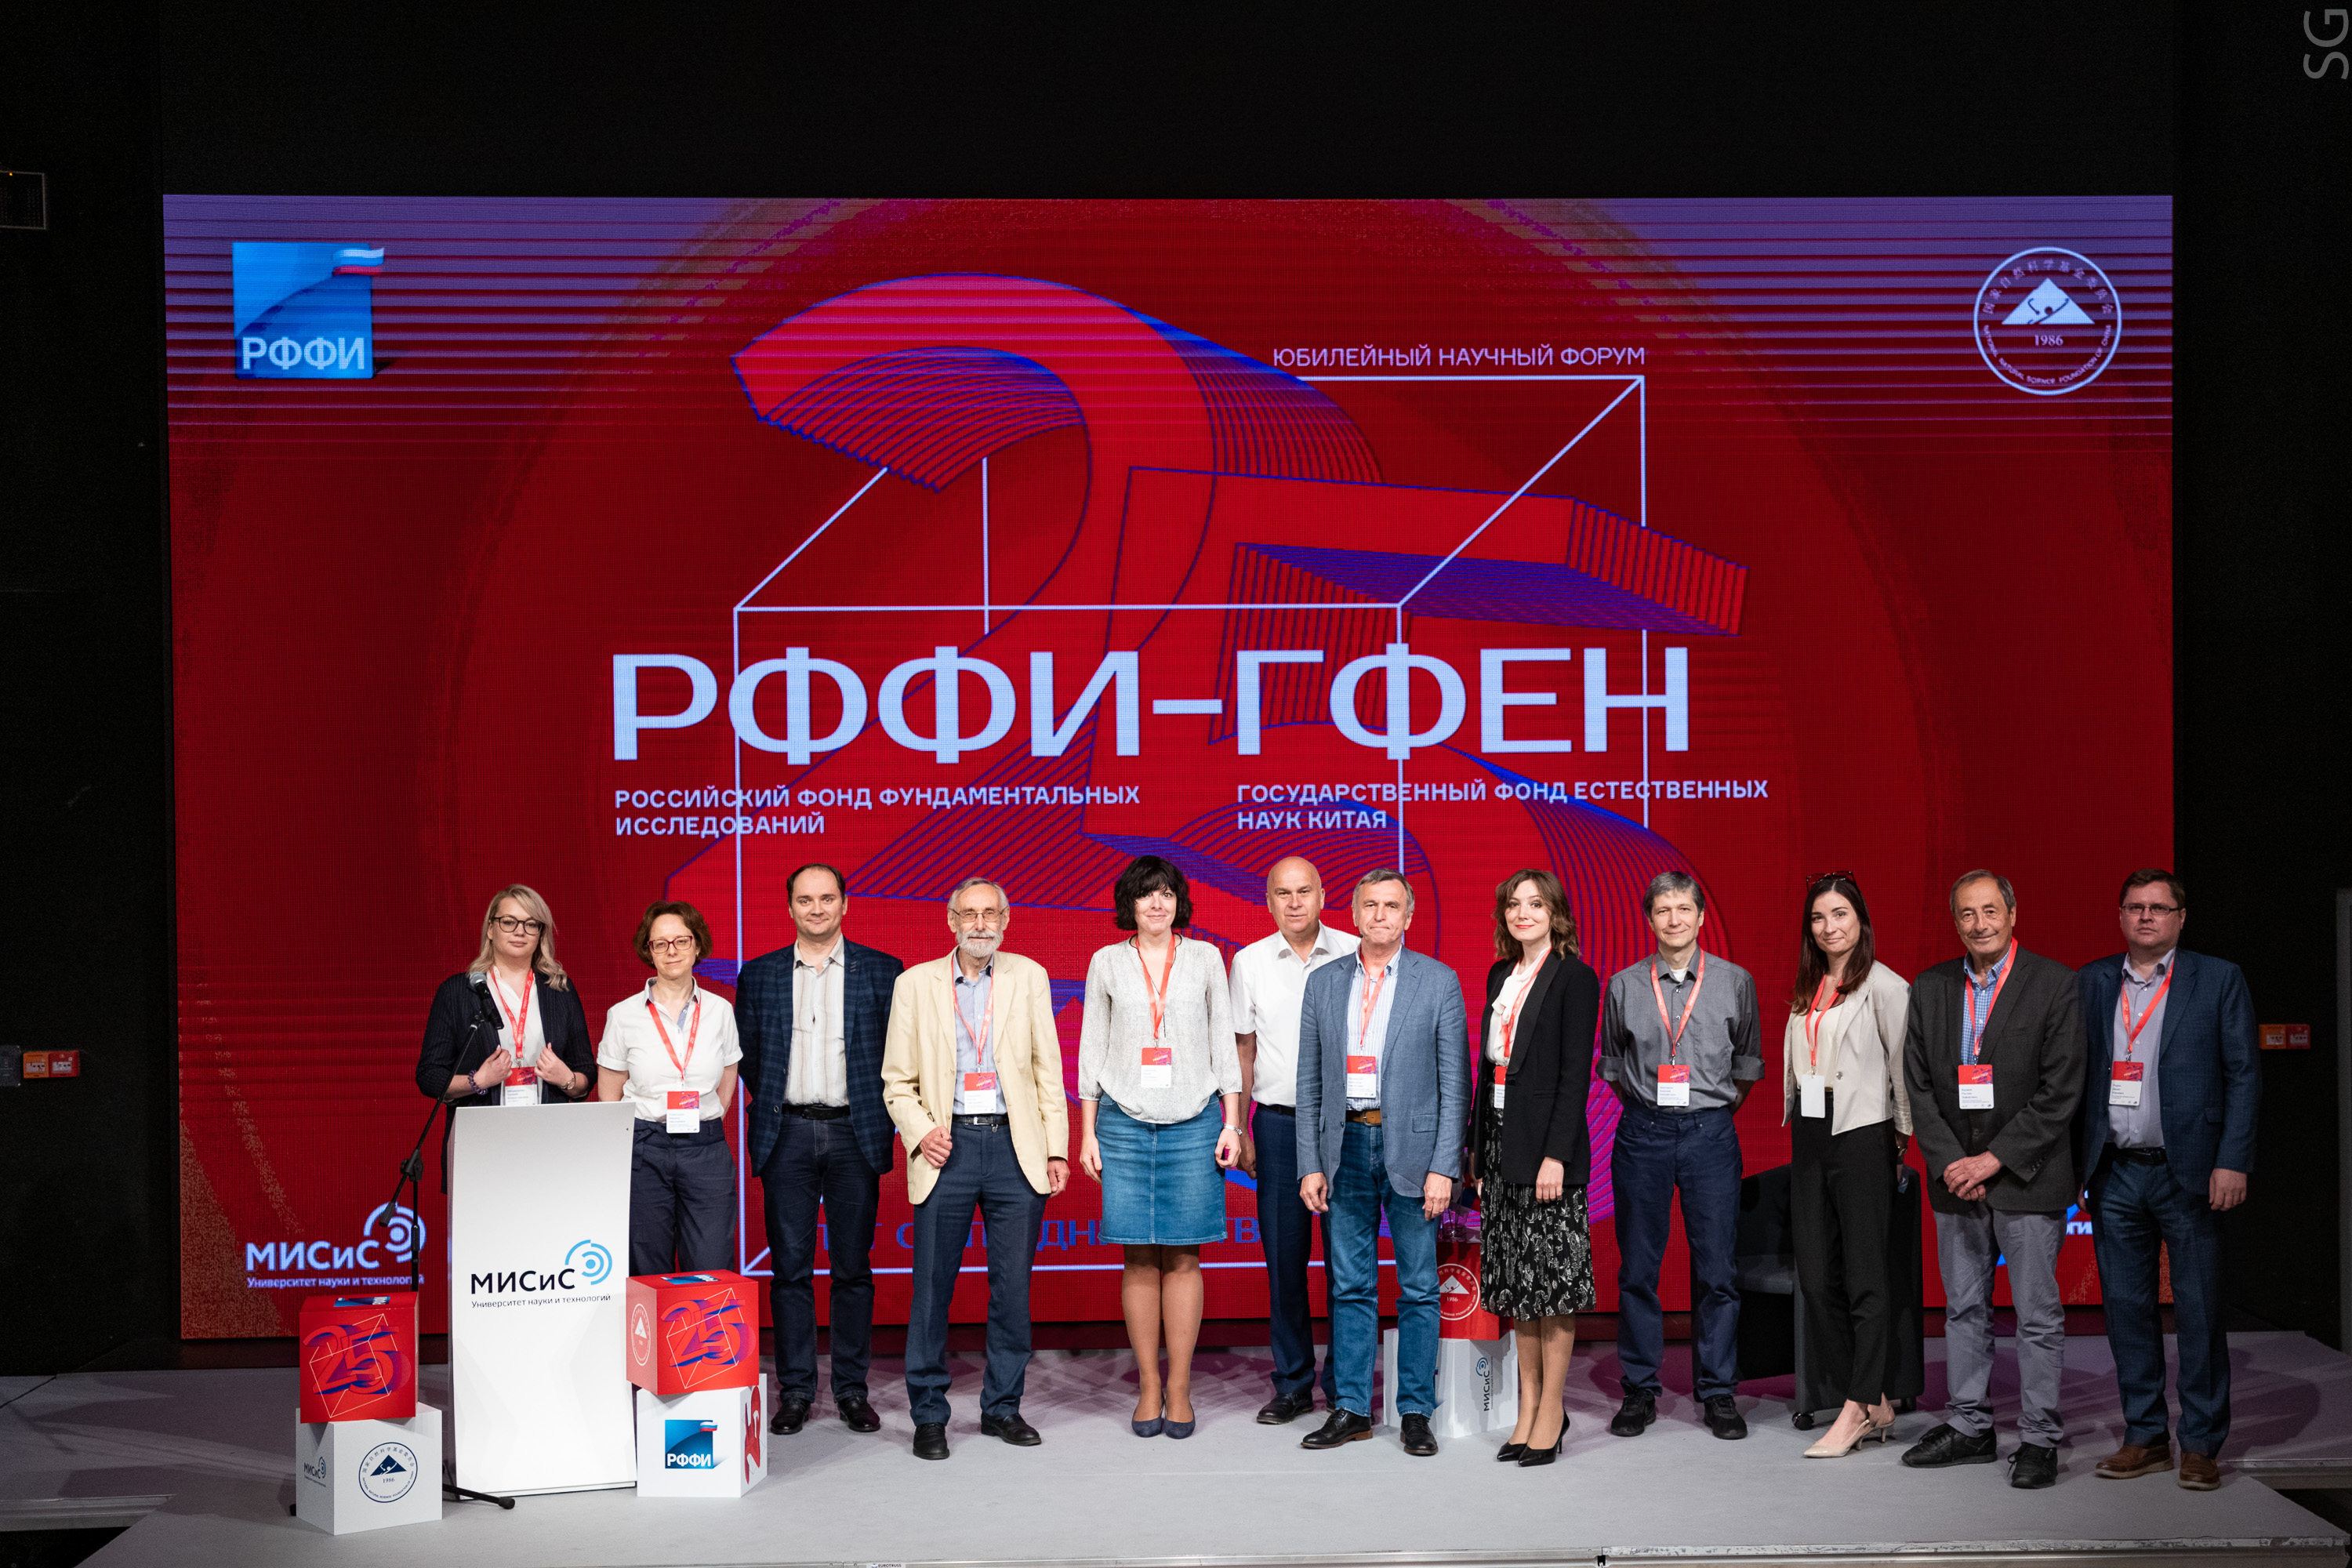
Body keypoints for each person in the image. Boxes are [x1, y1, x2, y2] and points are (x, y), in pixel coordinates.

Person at [1900, 869, 2083, 1490]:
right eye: (1966, 914)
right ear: (1955, 921)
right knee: (1964, 1308)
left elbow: (2060, 1091)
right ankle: (1971, 1426)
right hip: (1956, 1179)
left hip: (2027, 1177)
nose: (1979, 924)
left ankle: (2039, 1438)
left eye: (1989, 911)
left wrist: (1993, 1159)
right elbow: (1918, 1084)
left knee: (2037, 1316)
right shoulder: (1931, 987)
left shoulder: (2054, 983)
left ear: (2011, 914)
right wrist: (1954, 1161)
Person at [2076, 870, 2258, 1492]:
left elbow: (2243, 1074)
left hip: (2192, 1171)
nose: (2146, 917)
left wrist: (2233, 1160)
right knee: (2127, 1309)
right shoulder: (2093, 981)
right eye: (2135, 907)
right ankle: (2146, 1435)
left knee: (2198, 1309)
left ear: (2181, 917)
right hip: (2115, 1171)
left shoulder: (2218, 978)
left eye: (2159, 907)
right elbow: (2074, 1075)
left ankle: (2201, 1443)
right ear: (2121, 916)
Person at [880, 877, 1071, 1461]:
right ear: (951, 921)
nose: (981, 923)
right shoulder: (915, 984)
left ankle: (1002, 1408)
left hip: (1016, 1148)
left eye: (991, 913)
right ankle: (929, 1415)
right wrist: (922, 1132)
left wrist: (1056, 1149)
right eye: (970, 914)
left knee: (1012, 1290)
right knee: (931, 1290)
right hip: (948, 1147)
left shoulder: (1029, 977)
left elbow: (1047, 1070)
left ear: (1006, 920)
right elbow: (896, 1081)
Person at [1294, 869, 1469, 1457]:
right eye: (1369, 905)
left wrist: (1445, 1166)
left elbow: (1456, 1086)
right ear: (1353, 913)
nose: (1379, 915)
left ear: (1408, 916)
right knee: (1350, 1286)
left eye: (1391, 906)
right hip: (1343, 1147)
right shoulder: (1323, 983)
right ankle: (1350, 1408)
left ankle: (1416, 1410)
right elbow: (1309, 1082)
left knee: (1418, 1288)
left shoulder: (1438, 981)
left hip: (1414, 1154)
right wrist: (1310, 1162)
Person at [1076, 855, 1244, 1439]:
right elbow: (1092, 1049)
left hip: (1194, 1123)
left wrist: (1232, 1123)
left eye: (1166, 893)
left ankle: (1180, 1387)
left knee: (1184, 1256)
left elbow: (1223, 1042)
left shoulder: (1205, 958)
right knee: (1138, 1256)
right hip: (1122, 1124)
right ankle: (1149, 1384)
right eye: (1146, 893)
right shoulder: (1106, 962)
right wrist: (1087, 1132)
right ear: (1130, 902)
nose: (1156, 903)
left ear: (1178, 902)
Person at [734, 863, 904, 1439]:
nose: (816, 909)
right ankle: (797, 1391)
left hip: (855, 1132)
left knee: (853, 1269)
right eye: (805, 900)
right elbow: (751, 1057)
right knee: (790, 1272)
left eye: (827, 898)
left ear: (845, 904)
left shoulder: (883, 971)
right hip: (787, 1133)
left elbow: (897, 1057)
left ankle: (852, 1390)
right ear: (789, 908)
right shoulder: (759, 975)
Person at [1597, 870, 1762, 1441]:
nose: (1674, 920)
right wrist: (1652, 1110)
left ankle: (1718, 1391)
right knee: (1638, 1269)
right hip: (1642, 1134)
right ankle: (1640, 1389)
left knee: (1718, 1271)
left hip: (1710, 1135)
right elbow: (1613, 1066)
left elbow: (1747, 1065)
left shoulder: (1735, 982)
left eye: (1684, 909)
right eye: (1663, 910)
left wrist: (1707, 1113)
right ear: (1650, 919)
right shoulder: (1623, 985)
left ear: (1700, 916)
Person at [1468, 869, 1599, 1468]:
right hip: (1500, 1144)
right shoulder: (1500, 974)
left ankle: (1552, 1410)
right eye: (1514, 905)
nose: (1523, 913)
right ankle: (1527, 1407)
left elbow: (1575, 1075)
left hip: (1547, 1150)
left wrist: (1557, 1155)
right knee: (1518, 1285)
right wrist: (1476, 1147)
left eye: (1536, 904)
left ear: (1556, 913)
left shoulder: (1575, 977)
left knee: (1553, 1284)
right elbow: (1488, 1070)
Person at [1780, 873, 1914, 1458]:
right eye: (1818, 917)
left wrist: (1901, 1142)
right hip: (1811, 1133)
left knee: (1865, 1277)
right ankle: (1873, 1398)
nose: (1829, 927)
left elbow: (1903, 1068)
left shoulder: (1885, 986)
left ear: (1860, 919)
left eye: (1839, 914)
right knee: (1814, 1278)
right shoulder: (1810, 985)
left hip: (1862, 1133)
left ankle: (1858, 1407)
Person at [1227, 855, 1357, 1424]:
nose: (1295, 902)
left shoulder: (1355, 950)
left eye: (1305, 891)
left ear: (1323, 896)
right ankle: (1294, 1382)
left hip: (1346, 1126)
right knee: (1284, 1261)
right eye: (1283, 893)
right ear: (1269, 901)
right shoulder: (1249, 962)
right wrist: (1239, 1127)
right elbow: (1243, 1051)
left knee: (1346, 1263)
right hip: (1278, 1124)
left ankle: (1347, 1385)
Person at [596, 900, 742, 1276]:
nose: (671, 951)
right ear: (649, 950)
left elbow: (728, 1076)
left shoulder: (721, 1011)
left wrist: (704, 1118)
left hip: (706, 1148)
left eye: (681, 940)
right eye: (660, 943)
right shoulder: (623, 1015)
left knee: (711, 1267)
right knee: (647, 1269)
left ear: (697, 945)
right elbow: (609, 1094)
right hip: (645, 1150)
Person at [416, 887, 597, 1165]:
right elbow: (429, 1076)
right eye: (509, 922)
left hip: (550, 1140)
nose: (520, 931)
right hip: (481, 1144)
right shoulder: (458, 992)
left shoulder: (560, 990)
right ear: (491, 929)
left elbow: (586, 1074)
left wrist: (567, 1079)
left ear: (540, 934)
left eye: (531, 924)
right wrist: (477, 1081)